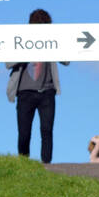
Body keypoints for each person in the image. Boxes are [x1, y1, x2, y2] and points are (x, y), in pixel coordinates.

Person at [5, 9, 69, 164]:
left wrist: (53, 42)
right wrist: (28, 48)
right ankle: (23, 163)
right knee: (24, 133)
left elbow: (67, 60)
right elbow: (8, 63)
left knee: (47, 131)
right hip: (24, 92)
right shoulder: (20, 40)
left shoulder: (52, 41)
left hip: (47, 92)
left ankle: (46, 164)